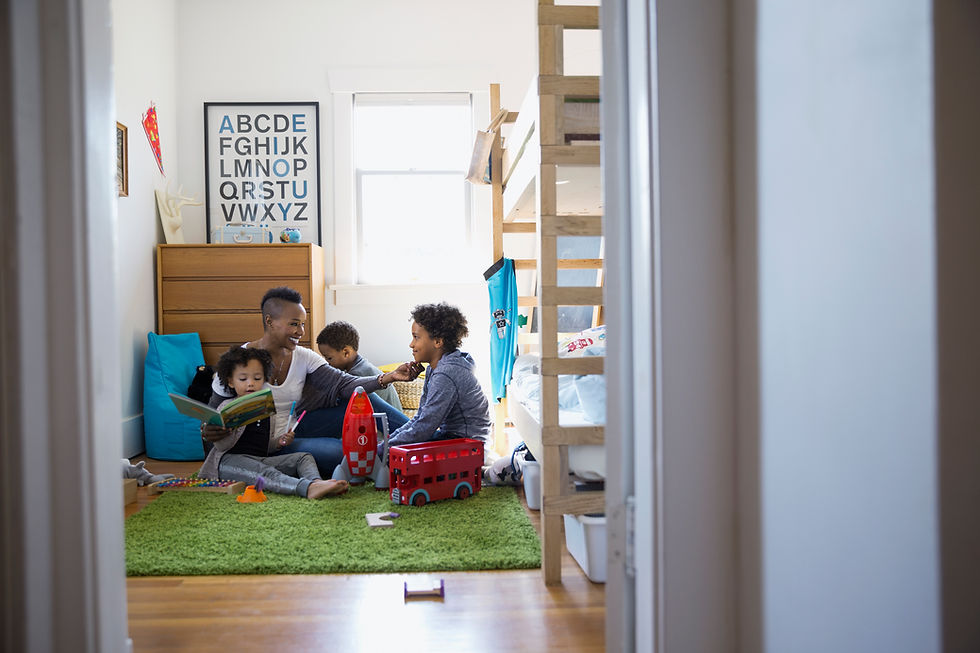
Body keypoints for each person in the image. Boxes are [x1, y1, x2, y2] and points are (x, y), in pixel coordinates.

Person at [202, 287, 418, 476]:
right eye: (294, 324)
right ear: (269, 321)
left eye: (303, 324)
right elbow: (212, 418)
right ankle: (390, 453)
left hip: (296, 429)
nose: (301, 331)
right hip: (266, 446)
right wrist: (211, 431)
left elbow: (344, 384)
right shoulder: (237, 362)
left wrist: (388, 377)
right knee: (342, 452)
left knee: (363, 398)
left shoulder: (304, 357)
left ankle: (421, 436)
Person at [198, 347, 349, 499]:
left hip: (259, 460)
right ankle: (307, 488)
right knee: (266, 473)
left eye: (257, 378)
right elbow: (221, 447)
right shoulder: (226, 407)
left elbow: (264, 445)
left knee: (304, 457)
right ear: (231, 382)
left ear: (264, 380)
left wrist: (279, 442)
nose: (250, 384)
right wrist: (227, 431)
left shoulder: (266, 408)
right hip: (228, 463)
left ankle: (316, 482)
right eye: (243, 379)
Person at [383, 302, 492, 454]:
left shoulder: (446, 374)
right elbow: (421, 418)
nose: (411, 344)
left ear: (438, 341)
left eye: (416, 337)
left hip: (468, 446)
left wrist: (382, 451)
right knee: (394, 442)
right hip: (450, 437)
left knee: (397, 456)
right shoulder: (435, 368)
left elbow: (425, 427)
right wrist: (387, 445)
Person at [316, 320, 404, 413]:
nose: (328, 363)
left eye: (329, 358)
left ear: (346, 352)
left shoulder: (359, 374)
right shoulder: (361, 366)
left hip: (388, 426)